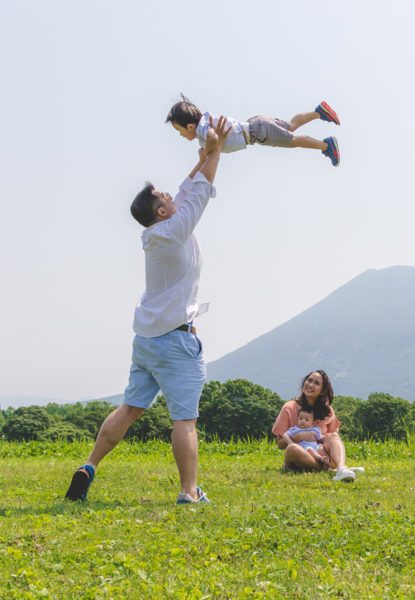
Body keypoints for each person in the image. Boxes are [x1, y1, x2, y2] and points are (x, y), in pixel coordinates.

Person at [65, 116, 232, 505]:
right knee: (184, 420)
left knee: (129, 408)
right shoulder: (175, 230)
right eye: (165, 198)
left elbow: (189, 186)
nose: (172, 197)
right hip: (175, 340)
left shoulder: (156, 233)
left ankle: (89, 465)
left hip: (146, 340)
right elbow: (201, 190)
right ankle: (189, 491)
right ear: (161, 212)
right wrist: (218, 148)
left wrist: (205, 152)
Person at [165, 94, 341, 167]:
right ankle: (319, 112)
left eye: (180, 131)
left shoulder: (204, 129)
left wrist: (207, 152)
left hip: (257, 132)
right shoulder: (204, 126)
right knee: (291, 125)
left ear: (190, 126)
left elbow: (212, 137)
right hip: (256, 125)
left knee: (293, 141)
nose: (181, 135)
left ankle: (326, 146)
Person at [272, 370, 364, 482]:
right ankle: (331, 470)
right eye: (309, 380)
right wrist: (299, 437)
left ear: (322, 391)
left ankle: (341, 468)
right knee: (292, 448)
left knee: (333, 435)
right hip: (298, 458)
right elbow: (280, 445)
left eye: (316, 383)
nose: (310, 385)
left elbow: (331, 440)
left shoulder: (328, 411)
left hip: (322, 457)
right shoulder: (289, 407)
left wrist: (320, 440)